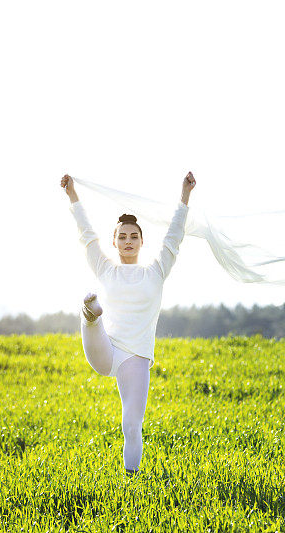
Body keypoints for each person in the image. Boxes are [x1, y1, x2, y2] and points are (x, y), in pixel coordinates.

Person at [60, 172, 196, 477]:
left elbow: (174, 236)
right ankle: (90, 312)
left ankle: (131, 477)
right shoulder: (105, 268)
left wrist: (185, 195)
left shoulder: (156, 271)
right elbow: (86, 233)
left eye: (133, 236)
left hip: (135, 357)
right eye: (122, 236)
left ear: (142, 241)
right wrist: (72, 196)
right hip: (105, 349)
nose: (128, 241)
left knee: (132, 425)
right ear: (114, 241)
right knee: (92, 313)